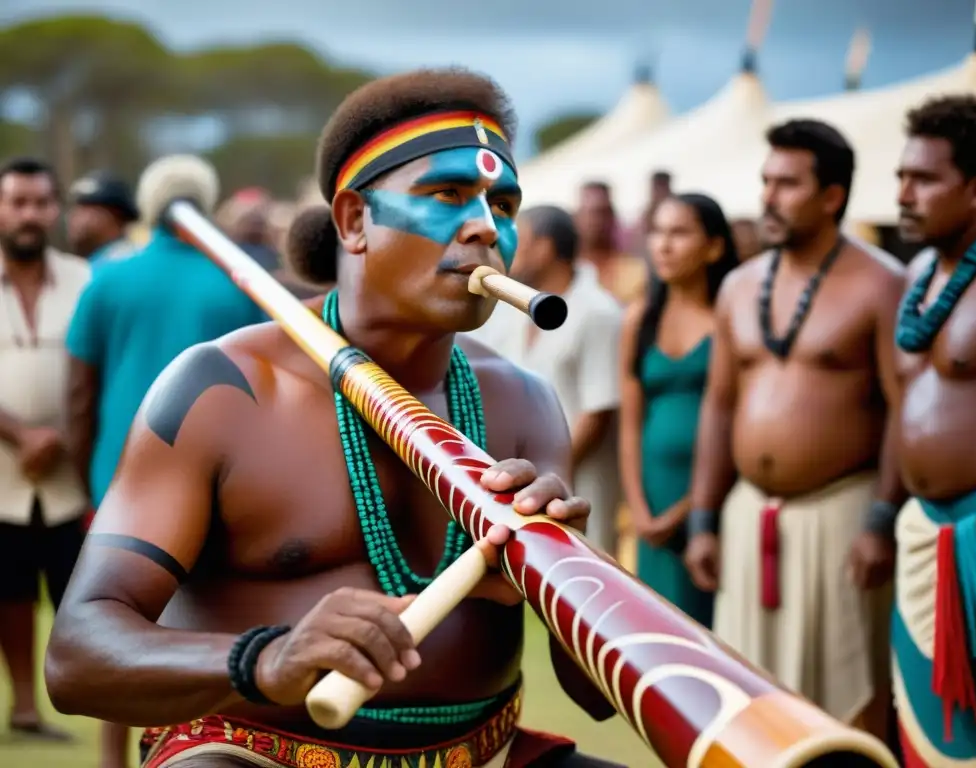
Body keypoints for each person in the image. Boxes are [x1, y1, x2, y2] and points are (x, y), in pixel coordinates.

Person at [46, 68, 624, 768]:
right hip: (254, 753)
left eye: (503, 204)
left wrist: (569, 577)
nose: (486, 226)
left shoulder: (524, 402)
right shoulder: (224, 391)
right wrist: (263, 660)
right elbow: (76, 657)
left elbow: (592, 698)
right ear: (355, 220)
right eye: (447, 196)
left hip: (485, 754)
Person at [682, 119, 906, 735]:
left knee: (847, 700)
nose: (769, 197)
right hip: (748, 516)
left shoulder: (883, 283)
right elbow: (720, 406)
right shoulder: (738, 284)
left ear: (832, 196)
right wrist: (704, 518)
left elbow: (903, 410)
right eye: (766, 181)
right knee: (746, 700)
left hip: (843, 517)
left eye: (788, 183)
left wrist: (881, 521)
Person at [64, 154, 269, 768]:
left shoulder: (106, 279)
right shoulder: (235, 282)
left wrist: (88, 477)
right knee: (197, 622)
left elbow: (78, 394)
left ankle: (112, 759)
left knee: (114, 618)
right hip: (225, 487)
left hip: (117, 482)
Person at [891, 95, 976, 768]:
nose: (903, 194)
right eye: (900, 177)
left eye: (923, 179)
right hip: (921, 535)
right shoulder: (915, 276)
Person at [470, 205, 623, 555]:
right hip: (525, 481)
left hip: (582, 480)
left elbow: (597, 414)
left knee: (584, 576)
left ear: (544, 247)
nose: (508, 251)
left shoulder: (598, 311)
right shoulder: (516, 311)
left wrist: (545, 469)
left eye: (519, 240)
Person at [0, 156, 90, 741]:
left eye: (39, 203)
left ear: (55, 210)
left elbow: (96, 367)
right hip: (2, 473)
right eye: (17, 203)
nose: (28, 215)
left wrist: (59, 437)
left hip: (70, 472)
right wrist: (20, 434)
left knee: (80, 594)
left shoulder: (86, 279)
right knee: (7, 594)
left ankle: (93, 702)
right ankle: (25, 707)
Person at [618, 193, 739, 627]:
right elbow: (629, 425)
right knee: (658, 625)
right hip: (652, 500)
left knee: (711, 626)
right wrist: (639, 510)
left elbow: (736, 421)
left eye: (679, 233)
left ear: (714, 247)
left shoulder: (731, 317)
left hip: (711, 497)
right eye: (658, 232)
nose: (663, 246)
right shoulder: (640, 318)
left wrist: (689, 509)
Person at [574, 182, 647, 305]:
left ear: (612, 216)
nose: (595, 221)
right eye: (589, 212)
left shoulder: (635, 271)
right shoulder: (562, 271)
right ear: (576, 217)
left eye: (602, 212)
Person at [66, 170, 140, 266]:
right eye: (76, 208)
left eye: (86, 207)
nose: (74, 216)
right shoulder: (81, 266)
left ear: (116, 217)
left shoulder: (125, 264)